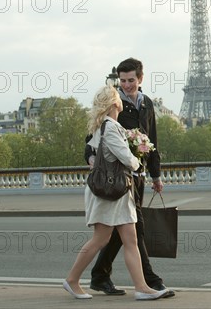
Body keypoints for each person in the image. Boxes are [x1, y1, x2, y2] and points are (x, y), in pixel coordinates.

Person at [64, 85, 169, 301]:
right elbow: (126, 158)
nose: (122, 99)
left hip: (115, 191)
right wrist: (139, 161)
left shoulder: (101, 126)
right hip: (110, 191)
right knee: (100, 239)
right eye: (118, 97)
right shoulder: (110, 127)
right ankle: (72, 280)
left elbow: (93, 154)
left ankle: (142, 287)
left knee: (129, 239)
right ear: (115, 103)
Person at [85, 57, 174, 297]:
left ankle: (100, 275)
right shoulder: (114, 105)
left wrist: (156, 175)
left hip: (139, 173)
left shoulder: (147, 104)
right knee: (135, 227)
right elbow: (93, 136)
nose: (126, 85)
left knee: (122, 229)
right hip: (121, 176)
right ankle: (149, 281)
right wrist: (90, 158)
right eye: (122, 81)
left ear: (140, 79)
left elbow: (152, 141)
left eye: (131, 80)